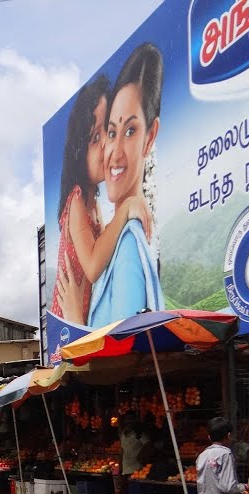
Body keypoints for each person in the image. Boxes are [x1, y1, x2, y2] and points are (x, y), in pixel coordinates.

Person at [52, 75, 152, 325]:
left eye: (105, 134)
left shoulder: (93, 204)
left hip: (83, 321)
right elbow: (94, 264)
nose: (106, 147)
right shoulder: (75, 200)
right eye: (95, 138)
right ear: (78, 151)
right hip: (68, 326)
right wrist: (126, 209)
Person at [86, 42, 166, 327]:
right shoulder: (118, 237)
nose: (115, 152)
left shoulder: (131, 240)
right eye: (111, 132)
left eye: (130, 131)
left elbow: (124, 341)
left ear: (150, 135)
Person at [196, 417, 247, 494]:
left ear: (209, 437)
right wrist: (244, 486)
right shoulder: (225, 454)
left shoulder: (202, 455)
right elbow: (228, 487)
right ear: (228, 436)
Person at [114, 412, 146, 494]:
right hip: (125, 471)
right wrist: (120, 470)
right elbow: (121, 453)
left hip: (136, 472)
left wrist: (140, 457)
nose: (128, 424)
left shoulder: (140, 435)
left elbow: (148, 445)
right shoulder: (123, 435)